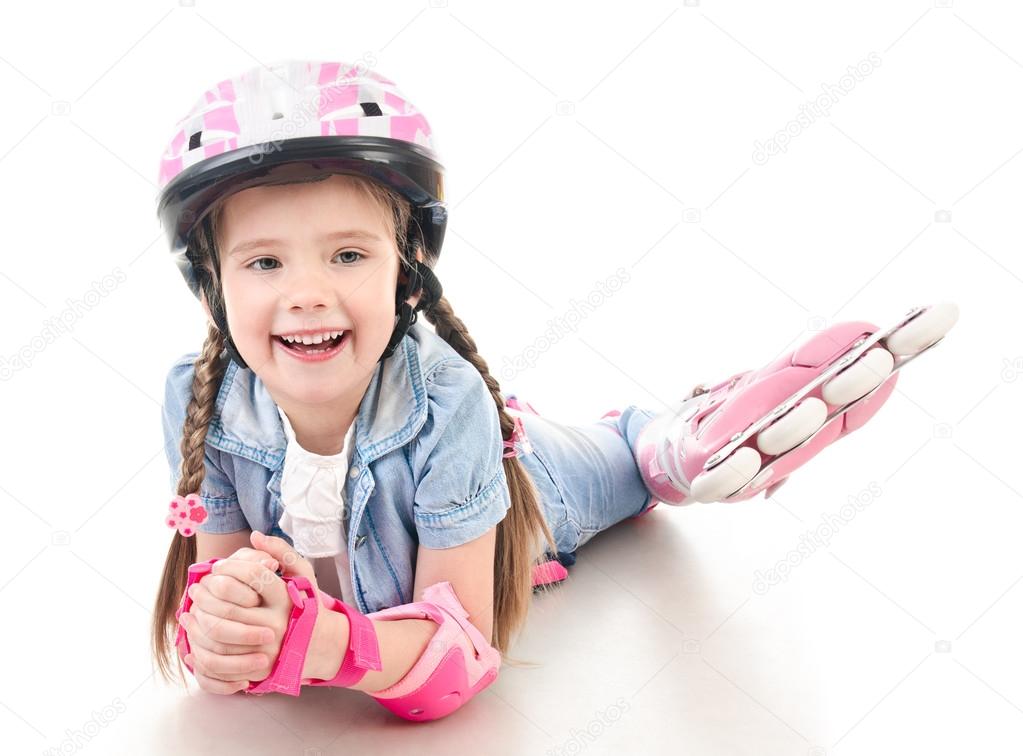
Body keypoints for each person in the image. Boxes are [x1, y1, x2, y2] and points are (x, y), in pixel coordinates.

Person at [150, 60, 959, 721]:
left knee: (624, 463)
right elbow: (216, 597)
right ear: (211, 287)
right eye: (264, 262)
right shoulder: (203, 401)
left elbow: (459, 656)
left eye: (348, 256)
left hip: (527, 478)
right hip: (473, 457)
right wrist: (234, 622)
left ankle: (675, 435)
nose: (308, 293)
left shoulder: (448, 406)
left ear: (408, 272)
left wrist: (332, 644)